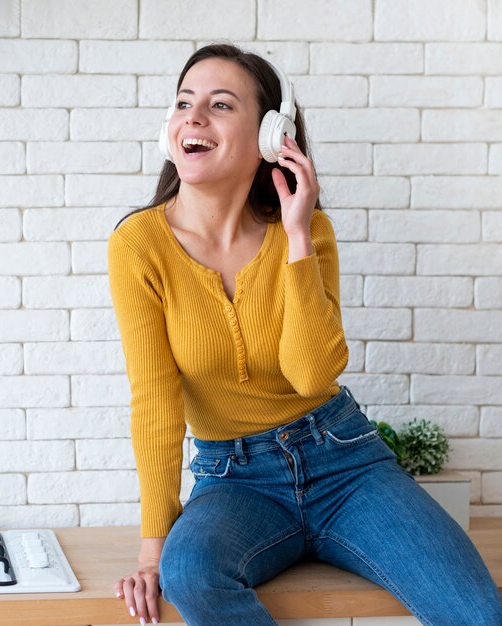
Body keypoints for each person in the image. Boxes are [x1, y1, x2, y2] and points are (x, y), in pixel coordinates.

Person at [107, 43, 502, 626]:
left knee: (478, 612)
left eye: (220, 105)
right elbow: (155, 401)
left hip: (345, 463)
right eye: (184, 103)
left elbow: (312, 373)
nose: (193, 117)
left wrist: (295, 240)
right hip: (234, 481)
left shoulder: (308, 231)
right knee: (188, 573)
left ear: (271, 134)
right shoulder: (139, 246)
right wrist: (151, 548)